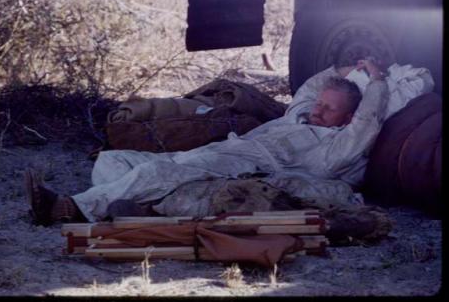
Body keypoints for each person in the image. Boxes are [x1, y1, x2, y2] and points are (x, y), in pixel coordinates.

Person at [25, 58, 389, 226]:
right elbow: (311, 89)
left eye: (330, 110)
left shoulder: (337, 146)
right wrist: (345, 70)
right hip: (223, 150)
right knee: (111, 160)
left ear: (347, 118)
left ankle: (69, 208)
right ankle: (147, 208)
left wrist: (375, 79)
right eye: (321, 104)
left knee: (156, 169)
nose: (319, 111)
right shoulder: (299, 114)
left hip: (248, 164)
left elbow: (369, 120)